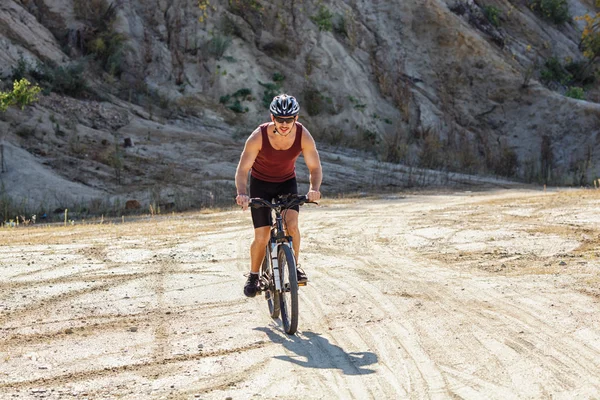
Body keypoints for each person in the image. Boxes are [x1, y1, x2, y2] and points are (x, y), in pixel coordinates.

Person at [235, 94, 322, 298]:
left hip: (286, 183)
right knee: (262, 235)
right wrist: (241, 193)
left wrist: (314, 188)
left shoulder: (303, 135)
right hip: (260, 185)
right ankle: (254, 275)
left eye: (289, 119)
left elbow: (315, 167)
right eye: (280, 119)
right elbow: (242, 170)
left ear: (296, 118)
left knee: (291, 225)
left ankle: (295, 267)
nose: (284, 124)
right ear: (272, 118)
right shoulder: (258, 136)